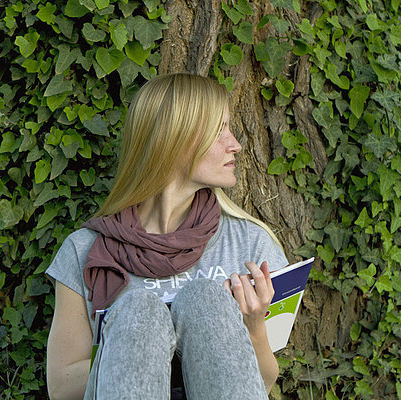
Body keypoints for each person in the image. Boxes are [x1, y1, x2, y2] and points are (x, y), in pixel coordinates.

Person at [45, 73, 289, 400]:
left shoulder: (250, 243)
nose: (236, 144)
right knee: (139, 312)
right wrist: (140, 347)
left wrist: (254, 327)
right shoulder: (84, 251)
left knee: (207, 301)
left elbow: (265, 382)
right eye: (219, 130)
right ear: (174, 139)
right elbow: (62, 387)